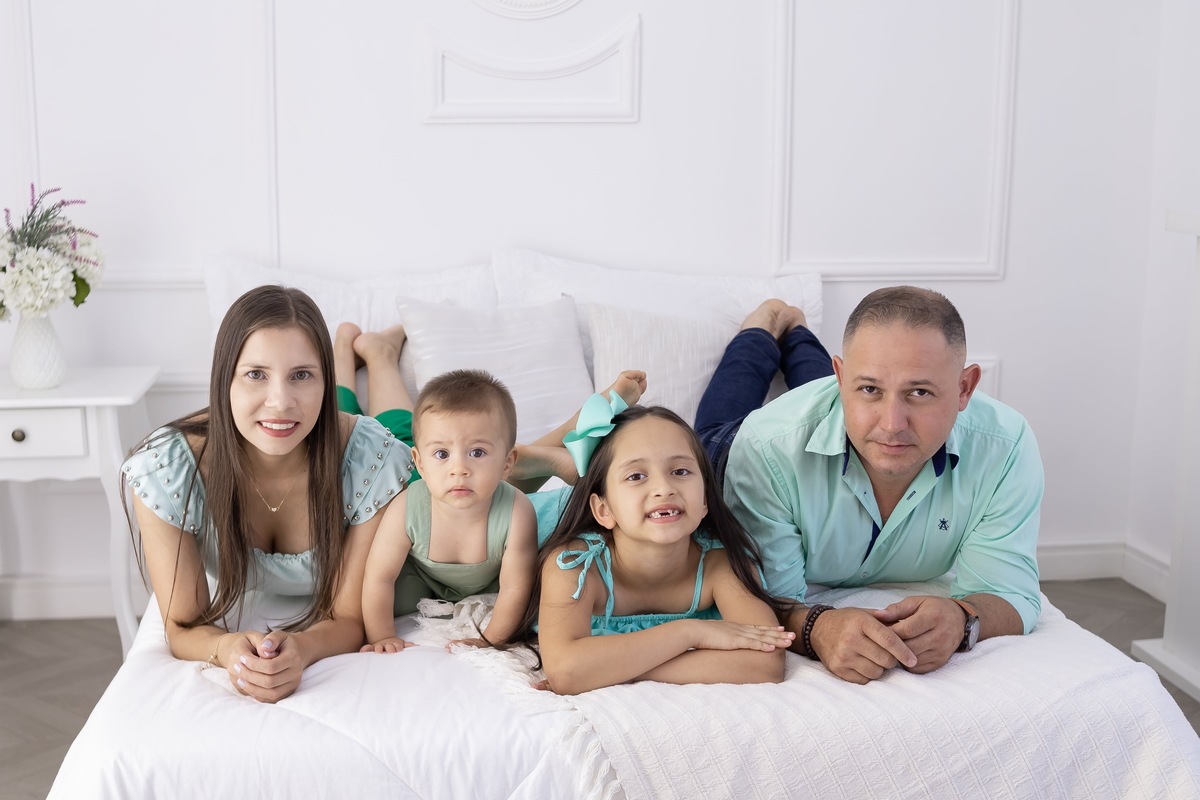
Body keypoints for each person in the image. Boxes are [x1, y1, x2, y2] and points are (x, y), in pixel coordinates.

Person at [701, 288, 1043, 685]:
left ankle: (799, 331)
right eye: (868, 389)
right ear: (841, 378)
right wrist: (817, 628)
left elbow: (1009, 593)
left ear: (965, 388)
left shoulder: (1007, 446)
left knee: (856, 414)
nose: (893, 423)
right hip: (735, 448)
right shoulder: (765, 445)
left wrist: (964, 618)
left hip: (832, 416)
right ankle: (766, 327)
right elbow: (764, 601)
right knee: (713, 427)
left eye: (920, 392)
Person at [123, 286, 414, 703]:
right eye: (256, 374)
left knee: (399, 425)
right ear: (225, 379)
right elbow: (181, 625)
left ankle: (381, 355)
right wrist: (226, 648)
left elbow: (350, 618)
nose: (279, 401)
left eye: (302, 374)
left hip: (355, 438)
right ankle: (346, 355)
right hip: (319, 425)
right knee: (300, 418)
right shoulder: (168, 469)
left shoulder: (374, 458)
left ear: (321, 379)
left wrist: (304, 648)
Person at [503, 403, 795, 695]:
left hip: (619, 516)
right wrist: (689, 632)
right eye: (636, 476)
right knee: (483, 506)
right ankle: (545, 459)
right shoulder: (574, 564)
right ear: (603, 510)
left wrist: (612, 669)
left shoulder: (721, 563)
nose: (664, 488)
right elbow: (567, 671)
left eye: (680, 471)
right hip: (534, 519)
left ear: (705, 499)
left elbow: (766, 662)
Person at [359, 369, 539, 652]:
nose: (459, 470)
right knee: (366, 438)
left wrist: (490, 640)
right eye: (442, 454)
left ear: (507, 463)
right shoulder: (406, 507)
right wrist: (382, 636)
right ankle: (354, 360)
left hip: (484, 584)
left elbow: (516, 588)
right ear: (419, 463)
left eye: (477, 452)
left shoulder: (517, 512)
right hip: (420, 577)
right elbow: (379, 577)